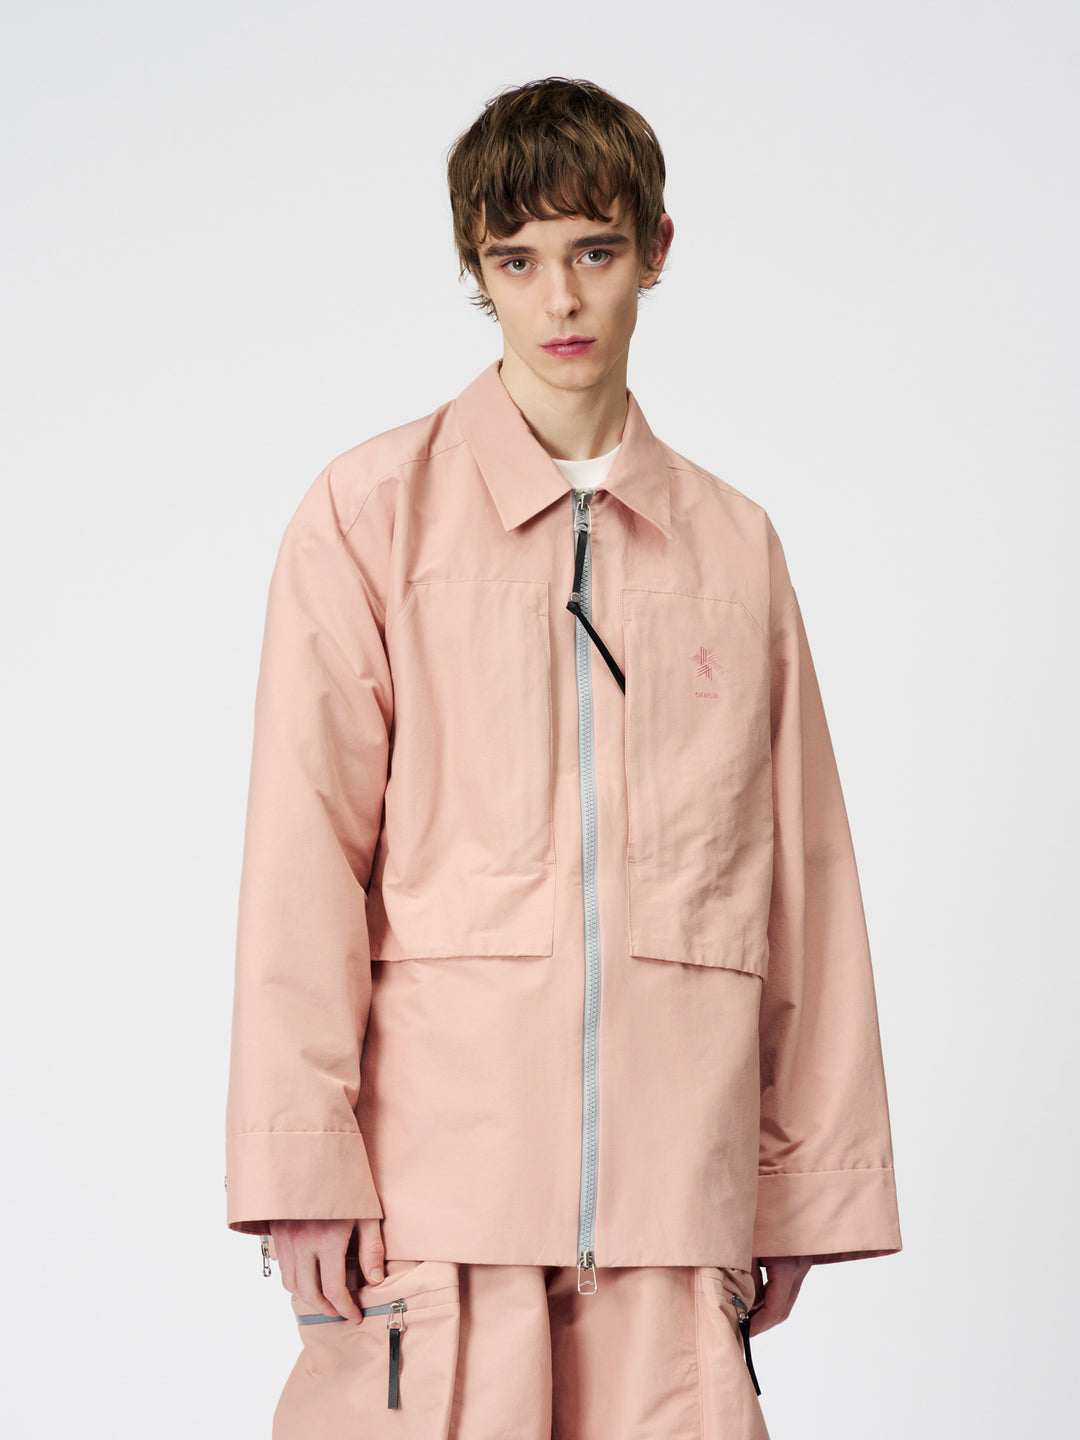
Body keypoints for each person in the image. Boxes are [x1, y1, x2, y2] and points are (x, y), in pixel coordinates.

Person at [224, 75, 901, 1439]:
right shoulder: (370, 517)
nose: (561, 300)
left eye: (594, 251)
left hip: (673, 1199)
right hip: (439, 1203)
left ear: (656, 248)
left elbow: (804, 876)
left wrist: (802, 1181)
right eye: (517, 261)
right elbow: (303, 854)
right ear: (477, 271)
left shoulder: (733, 547)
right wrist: (302, 1162)